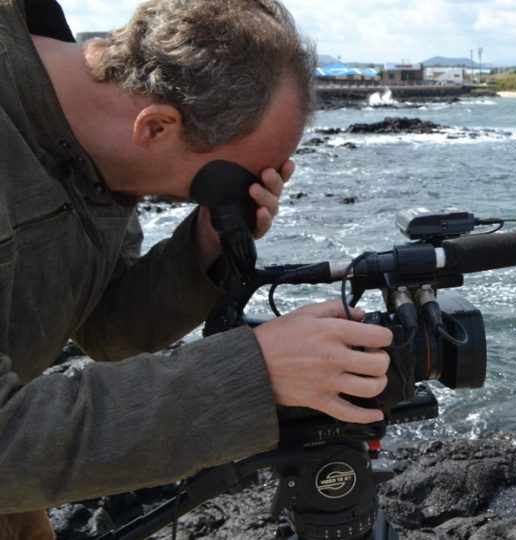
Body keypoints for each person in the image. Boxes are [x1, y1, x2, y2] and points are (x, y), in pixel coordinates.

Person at [0, 0, 395, 537]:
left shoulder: (94, 150)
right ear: (158, 126)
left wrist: (206, 240)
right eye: (233, 179)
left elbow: (105, 328)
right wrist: (254, 374)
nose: (241, 193)